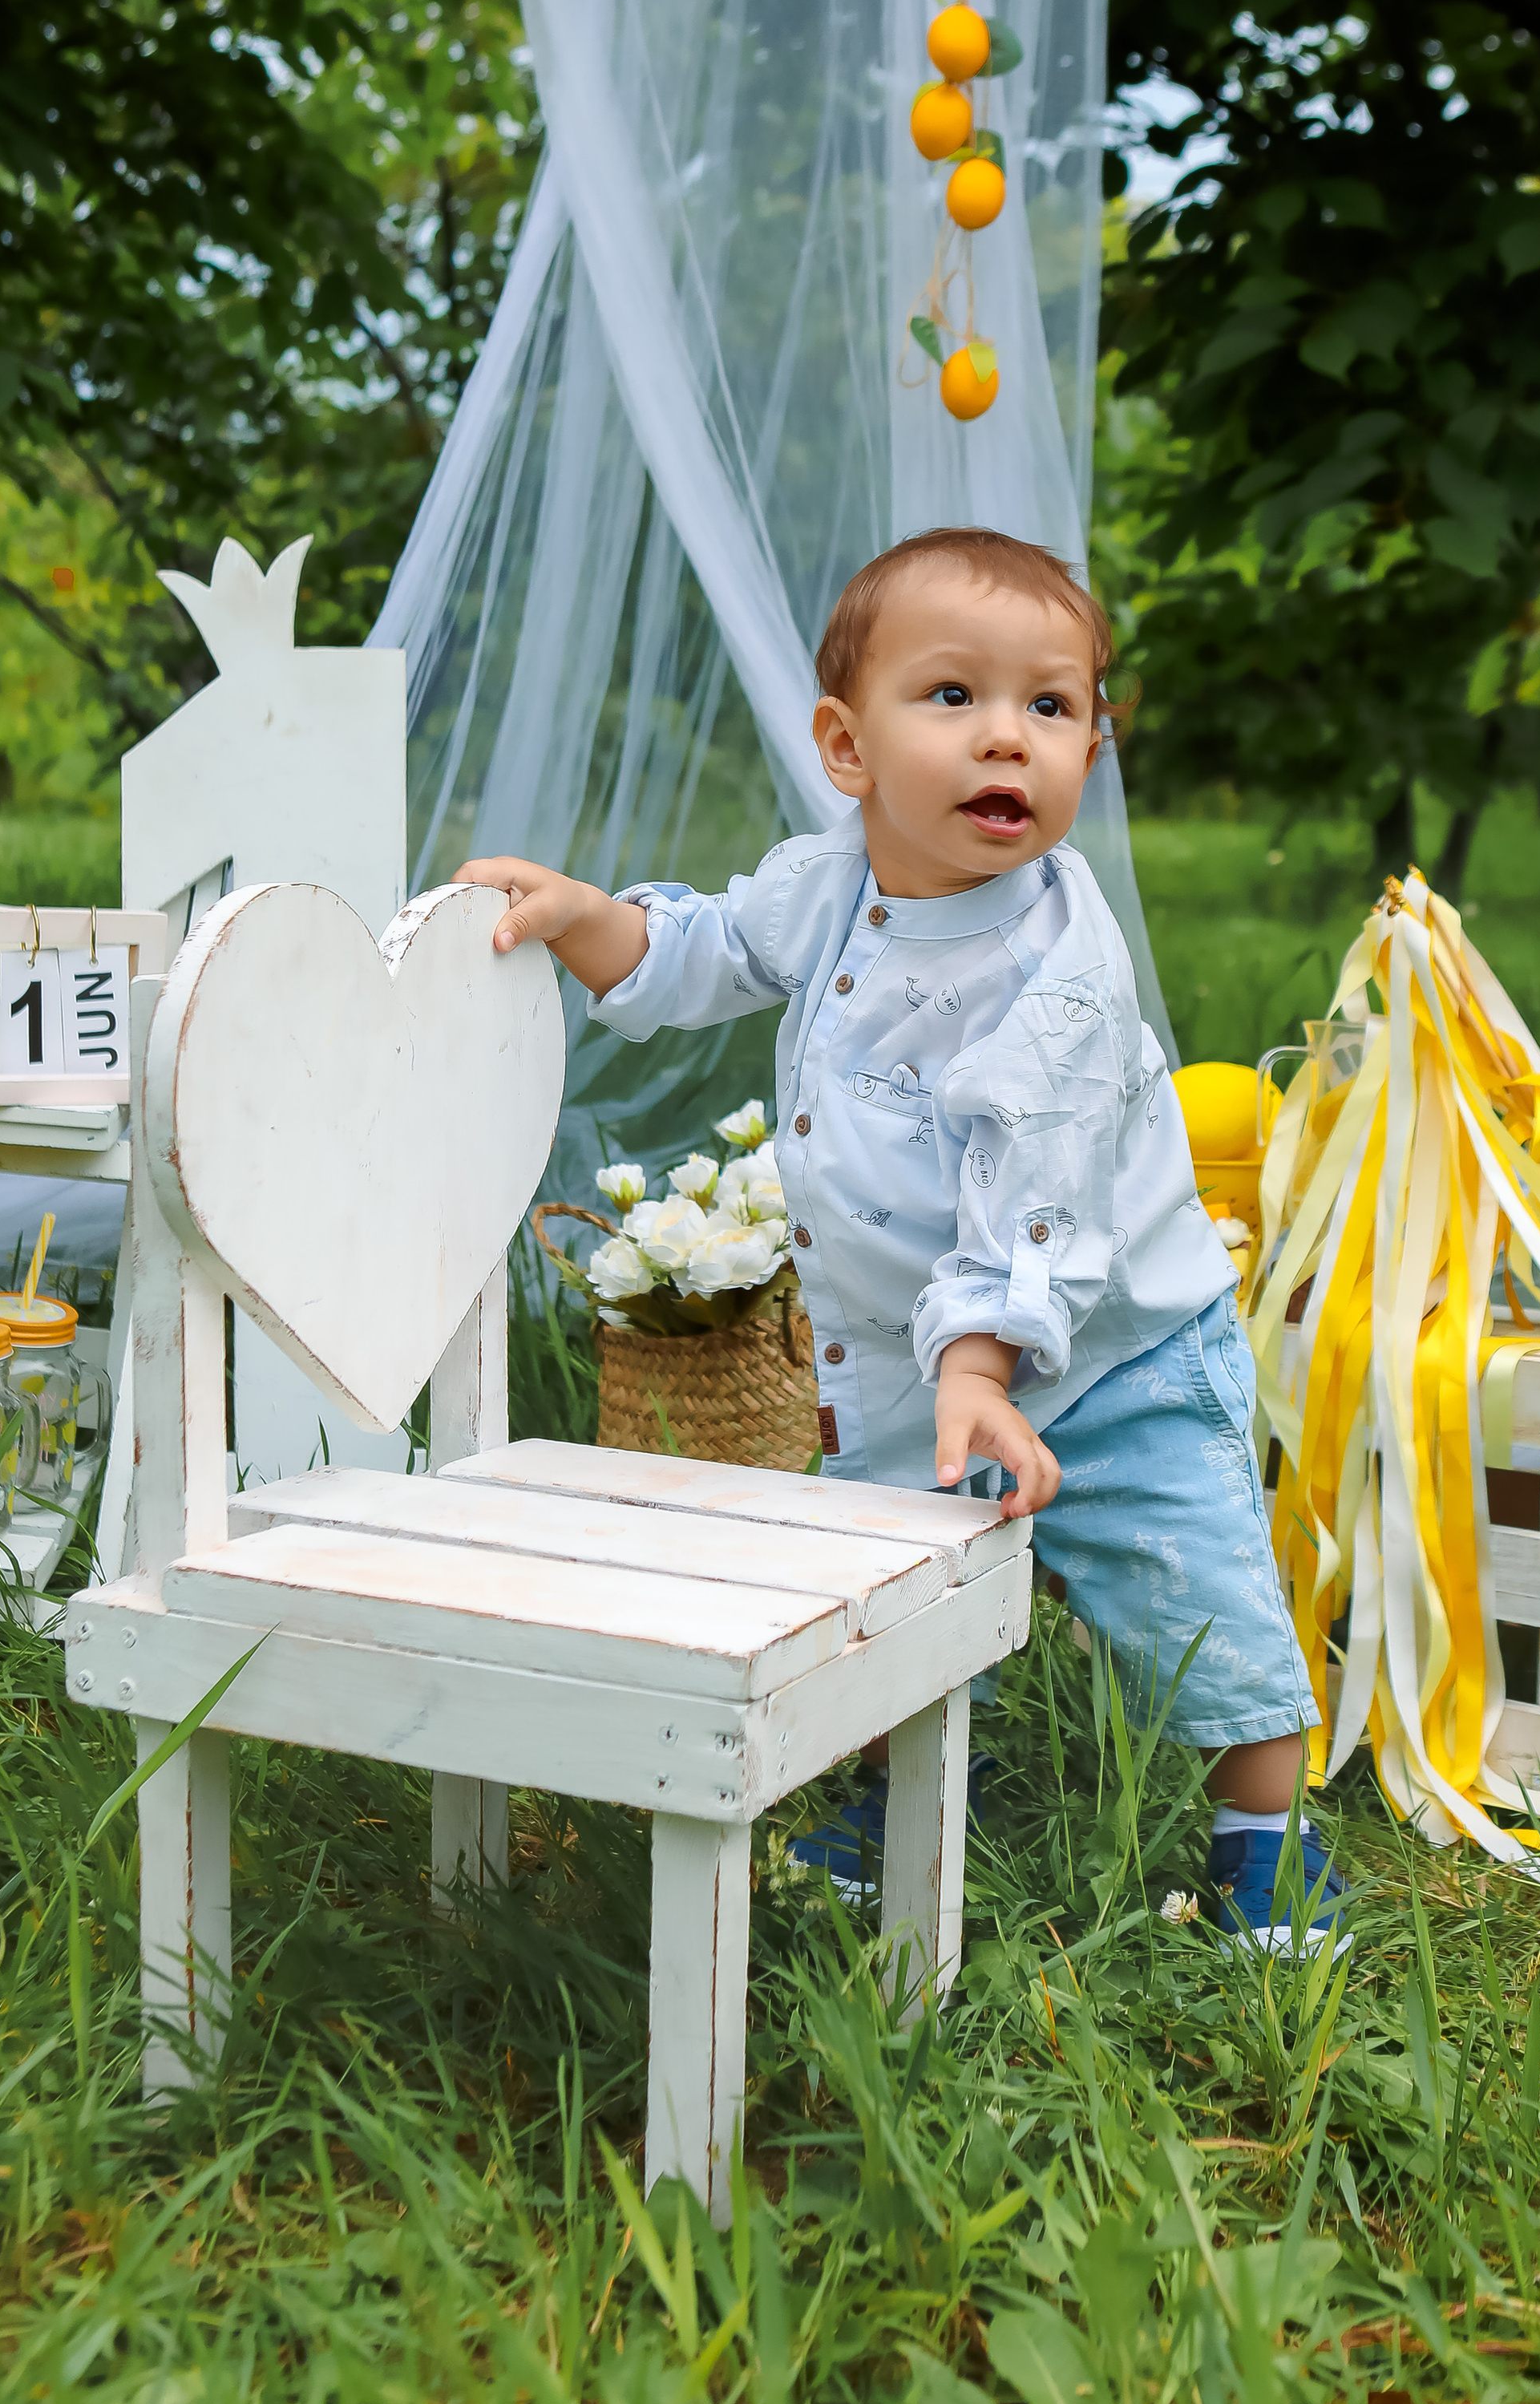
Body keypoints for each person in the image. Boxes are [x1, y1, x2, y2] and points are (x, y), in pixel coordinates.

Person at [456, 526, 1341, 1949]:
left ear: (1089, 750)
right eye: (955, 699)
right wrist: (588, 922)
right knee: (886, 1586)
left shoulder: (1058, 977)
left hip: (1113, 1358)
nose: (1009, 739)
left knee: (1201, 1599)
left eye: (1051, 709)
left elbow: (1028, 1201)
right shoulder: (828, 887)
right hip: (903, 1357)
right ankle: (909, 1786)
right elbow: (711, 951)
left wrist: (984, 1369)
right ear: (846, 746)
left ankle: (1265, 1840)